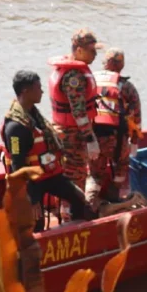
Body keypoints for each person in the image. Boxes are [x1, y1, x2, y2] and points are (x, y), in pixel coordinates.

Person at [0, 70, 94, 232]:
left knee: (80, 200)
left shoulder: (34, 115)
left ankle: (75, 234)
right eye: (38, 88)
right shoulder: (15, 127)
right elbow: (17, 165)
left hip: (50, 175)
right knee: (36, 221)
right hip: (31, 183)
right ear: (26, 91)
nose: (42, 91)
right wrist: (30, 199)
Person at [48, 29, 103, 218]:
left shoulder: (69, 70)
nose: (95, 54)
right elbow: (78, 111)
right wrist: (90, 138)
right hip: (72, 133)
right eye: (92, 50)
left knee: (70, 171)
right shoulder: (75, 77)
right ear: (79, 51)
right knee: (75, 173)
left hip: (66, 130)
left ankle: (66, 210)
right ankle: (70, 214)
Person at [85, 48, 143, 212]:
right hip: (116, 139)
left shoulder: (91, 80)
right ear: (121, 65)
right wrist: (134, 142)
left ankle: (89, 204)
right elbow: (135, 117)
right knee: (122, 164)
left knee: (94, 174)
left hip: (92, 137)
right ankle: (114, 194)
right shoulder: (126, 86)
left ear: (105, 63)